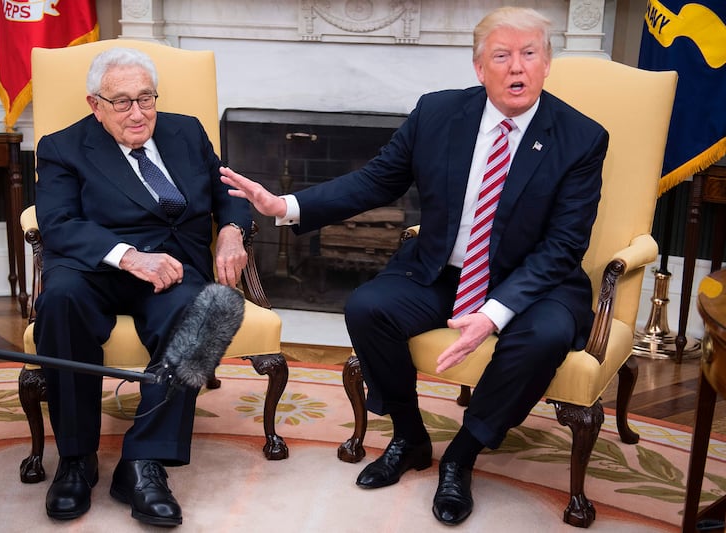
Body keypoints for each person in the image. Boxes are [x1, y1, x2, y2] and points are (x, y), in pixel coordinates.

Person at [220, 6, 607, 526]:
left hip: (535, 283)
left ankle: (463, 455)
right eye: (502, 55)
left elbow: (563, 245)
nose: (518, 68)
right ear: (479, 68)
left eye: (529, 54)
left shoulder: (581, 137)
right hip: (444, 270)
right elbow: (376, 181)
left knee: (541, 338)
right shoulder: (438, 114)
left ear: (547, 62)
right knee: (368, 308)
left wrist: (494, 314)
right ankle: (409, 435)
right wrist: (286, 206)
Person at [34, 47, 251, 526]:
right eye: (123, 102)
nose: (138, 113)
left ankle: (143, 463)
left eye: (146, 98)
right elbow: (58, 222)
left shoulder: (187, 130)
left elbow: (227, 191)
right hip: (96, 264)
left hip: (174, 268)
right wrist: (129, 257)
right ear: (96, 104)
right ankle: (76, 459)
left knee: (209, 313)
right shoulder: (62, 146)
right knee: (60, 302)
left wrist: (232, 231)